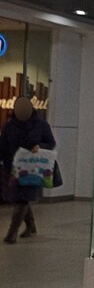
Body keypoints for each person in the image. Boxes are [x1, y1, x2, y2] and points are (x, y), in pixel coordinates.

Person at [1, 97, 56, 244]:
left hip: (33, 168)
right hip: (14, 167)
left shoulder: (41, 125)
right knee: (20, 197)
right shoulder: (9, 126)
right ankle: (31, 227)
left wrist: (39, 146)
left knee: (23, 197)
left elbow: (51, 143)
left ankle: (12, 232)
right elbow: (3, 146)